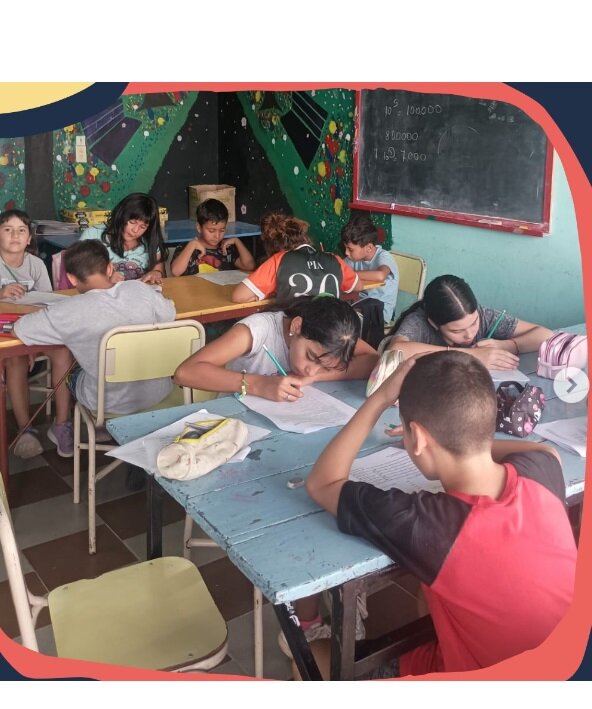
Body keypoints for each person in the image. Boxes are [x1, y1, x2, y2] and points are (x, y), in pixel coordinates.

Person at [305, 351, 576, 677]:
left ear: (418, 438)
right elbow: (544, 450)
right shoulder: (542, 470)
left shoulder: (431, 525)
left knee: (314, 655)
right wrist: (463, 441)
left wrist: (380, 399)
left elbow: (323, 483)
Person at [13, 240, 176, 457]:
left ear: (71, 278)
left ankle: (63, 424)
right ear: (110, 269)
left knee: (66, 356)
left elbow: (21, 329)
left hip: (105, 401)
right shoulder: (140, 290)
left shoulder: (68, 310)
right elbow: (170, 312)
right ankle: (103, 429)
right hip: (158, 392)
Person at [174, 295, 378, 402]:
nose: (311, 370)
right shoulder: (257, 331)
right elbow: (185, 373)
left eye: (325, 366)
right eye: (311, 357)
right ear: (297, 326)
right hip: (236, 419)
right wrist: (259, 385)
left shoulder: (337, 339)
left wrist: (316, 377)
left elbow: (374, 362)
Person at [0, 209, 71, 459]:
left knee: (62, 352)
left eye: (21, 230)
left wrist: (32, 340)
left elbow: (46, 303)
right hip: (6, 337)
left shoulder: (36, 264)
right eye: (7, 230)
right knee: (16, 360)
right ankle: (25, 429)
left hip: (34, 330)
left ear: (29, 238)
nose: (15, 235)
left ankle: (61, 424)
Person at [385, 274, 553, 370]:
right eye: (456, 331)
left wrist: (508, 345)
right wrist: (470, 355)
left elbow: (546, 335)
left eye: (473, 323)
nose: (469, 334)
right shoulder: (419, 322)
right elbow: (395, 350)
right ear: (434, 324)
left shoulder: (483, 315)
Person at [231, 212, 360, 304]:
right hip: (332, 327)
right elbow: (358, 286)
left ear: (272, 246)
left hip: (299, 330)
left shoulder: (278, 261)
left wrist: (262, 295)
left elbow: (238, 296)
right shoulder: (334, 259)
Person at [79, 192, 167, 285]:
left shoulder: (150, 242)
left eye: (142, 227)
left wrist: (156, 274)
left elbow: (160, 274)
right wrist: (106, 281)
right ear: (121, 215)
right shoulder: (92, 235)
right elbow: (78, 276)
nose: (135, 230)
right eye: (132, 222)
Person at [170, 198, 254, 276]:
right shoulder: (186, 248)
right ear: (199, 228)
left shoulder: (226, 249)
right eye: (211, 231)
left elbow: (249, 266)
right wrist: (192, 245)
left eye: (222, 230)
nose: (217, 236)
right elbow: (175, 271)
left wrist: (237, 241)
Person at [341, 212, 399, 324]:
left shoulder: (383, 256)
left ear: (369, 248)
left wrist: (350, 274)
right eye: (345, 248)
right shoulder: (353, 257)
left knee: (343, 322)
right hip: (360, 304)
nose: (346, 253)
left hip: (380, 312)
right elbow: (339, 268)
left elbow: (380, 275)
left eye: (350, 249)